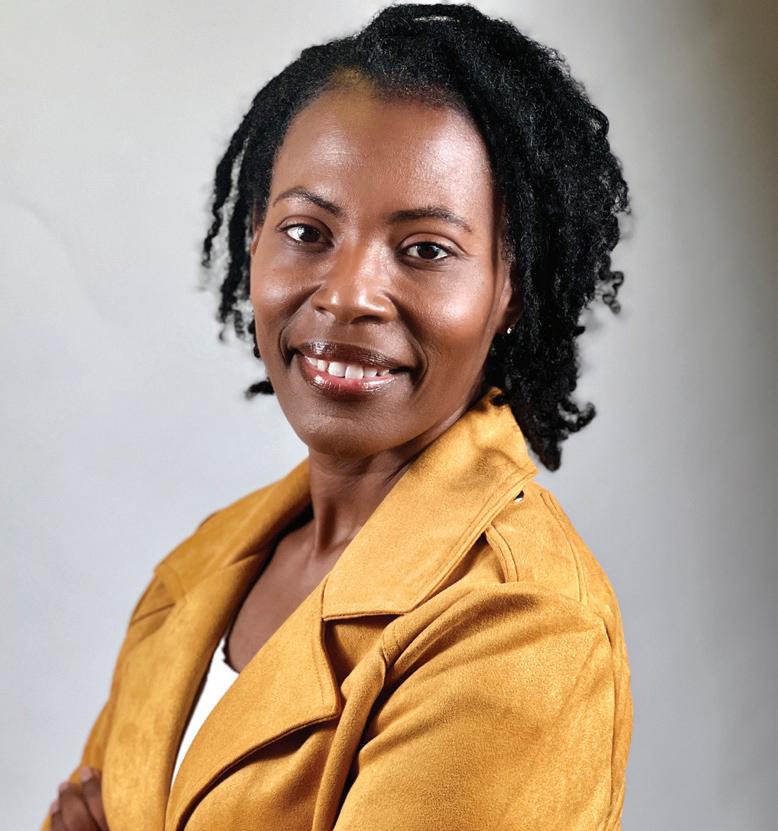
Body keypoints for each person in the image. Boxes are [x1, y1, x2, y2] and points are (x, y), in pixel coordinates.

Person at [43, 3, 633, 829]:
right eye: (307, 231)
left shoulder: (523, 624)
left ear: (510, 289)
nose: (349, 293)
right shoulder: (206, 564)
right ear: (255, 239)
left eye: (425, 249)